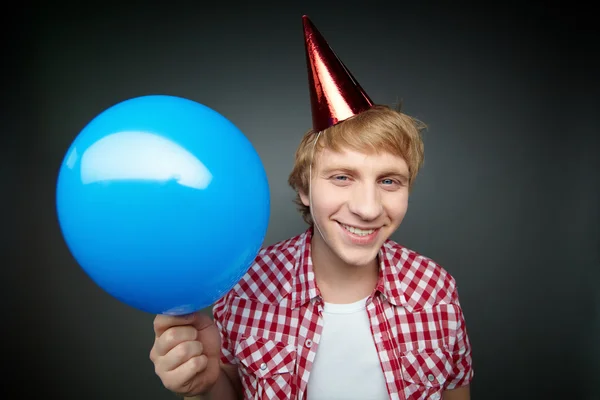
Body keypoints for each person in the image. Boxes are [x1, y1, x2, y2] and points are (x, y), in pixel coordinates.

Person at [149, 15, 473, 400]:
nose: (368, 209)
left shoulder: (436, 290)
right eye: (341, 177)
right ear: (304, 188)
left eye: (388, 181)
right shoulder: (244, 288)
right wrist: (203, 387)